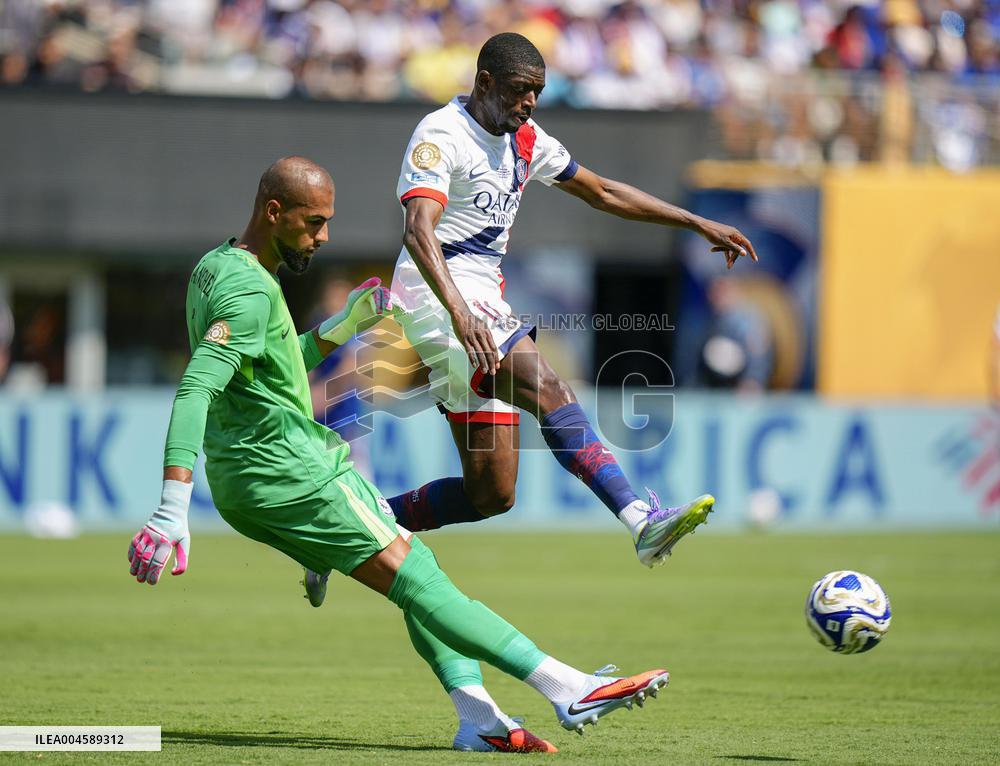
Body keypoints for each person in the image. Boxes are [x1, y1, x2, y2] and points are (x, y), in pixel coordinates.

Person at [127, 156, 670, 753]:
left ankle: (480, 720)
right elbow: (197, 385)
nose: (324, 235)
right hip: (292, 469)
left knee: (416, 573)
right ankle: (565, 686)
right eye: (314, 222)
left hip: (243, 484)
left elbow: (272, 368)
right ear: (273, 212)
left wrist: (342, 325)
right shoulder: (251, 292)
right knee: (422, 582)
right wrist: (170, 507)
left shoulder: (215, 267)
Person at [383, 32, 758, 563]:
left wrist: (695, 222)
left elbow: (602, 191)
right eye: (519, 89)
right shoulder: (441, 133)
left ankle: (353, 520)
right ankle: (640, 520)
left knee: (491, 493)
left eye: (537, 90)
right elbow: (419, 232)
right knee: (550, 385)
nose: (529, 101)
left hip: (477, 300)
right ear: (484, 82)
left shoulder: (526, 138)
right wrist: (460, 313)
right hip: (438, 294)